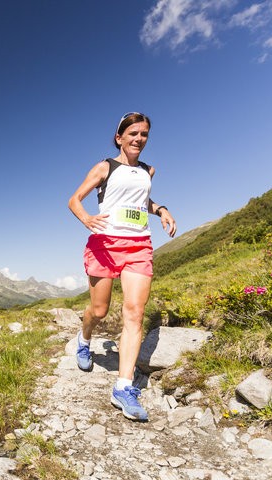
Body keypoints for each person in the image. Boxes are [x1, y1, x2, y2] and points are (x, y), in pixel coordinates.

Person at [67, 112, 176, 422]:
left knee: (134, 313)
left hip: (139, 246)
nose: (139, 139)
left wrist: (162, 210)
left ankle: (124, 387)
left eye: (144, 134)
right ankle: (84, 339)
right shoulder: (105, 167)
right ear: (119, 137)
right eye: (133, 133)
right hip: (104, 245)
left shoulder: (148, 171)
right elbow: (74, 199)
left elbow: (141, 203)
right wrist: (86, 217)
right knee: (99, 311)